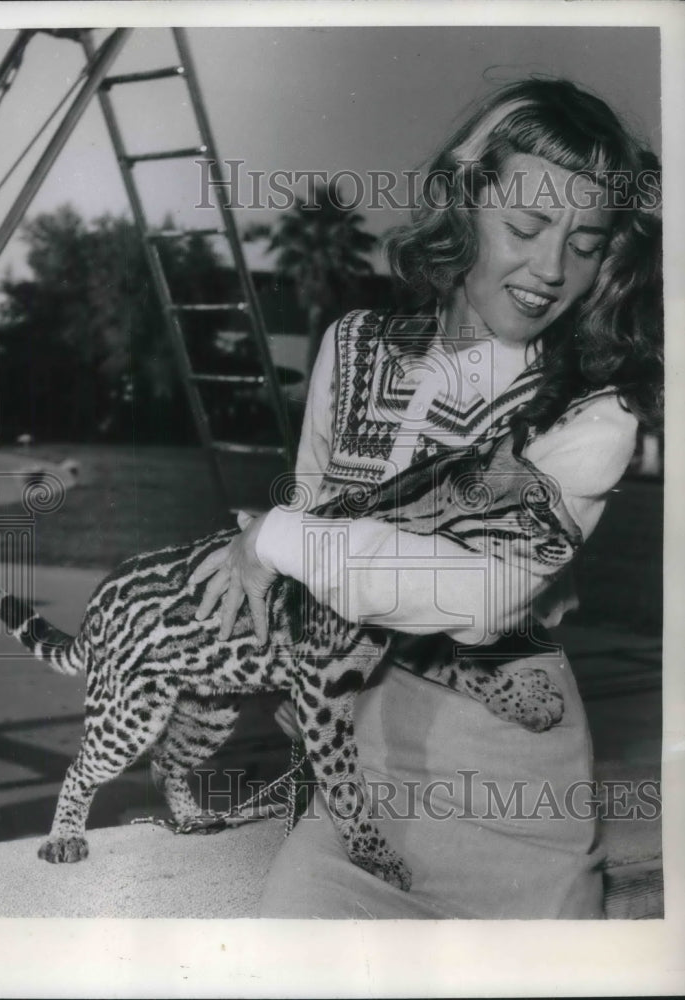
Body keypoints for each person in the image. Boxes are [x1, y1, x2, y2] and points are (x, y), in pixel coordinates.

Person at [190, 78, 663, 919]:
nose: (550, 269)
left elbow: (478, 598)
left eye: (584, 242)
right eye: (524, 227)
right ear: (464, 201)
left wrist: (277, 539)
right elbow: (309, 549)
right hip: (352, 778)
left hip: (515, 796)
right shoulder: (353, 344)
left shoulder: (595, 414)